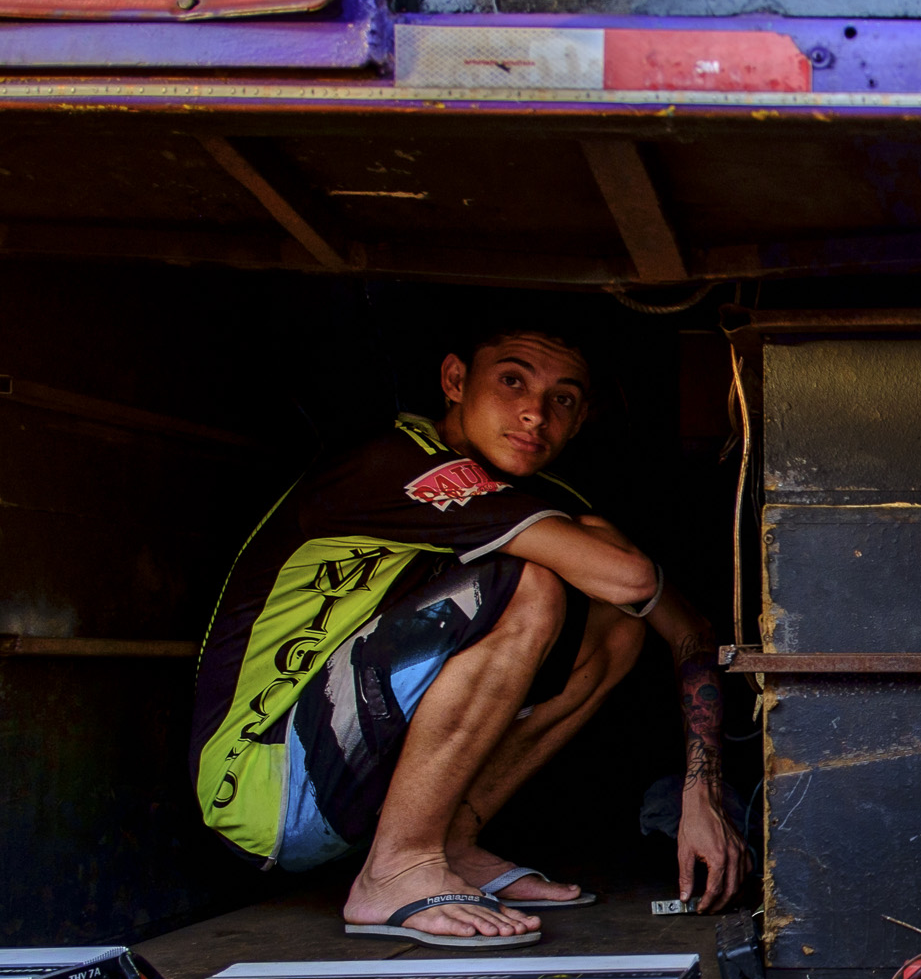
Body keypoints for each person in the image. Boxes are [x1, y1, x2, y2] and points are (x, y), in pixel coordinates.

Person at [189, 325, 745, 946]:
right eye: (512, 381)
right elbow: (631, 574)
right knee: (533, 583)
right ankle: (396, 867)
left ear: (581, 417)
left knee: (617, 628)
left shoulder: (532, 499)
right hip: (263, 776)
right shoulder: (392, 461)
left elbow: (687, 628)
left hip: (344, 780)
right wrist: (592, 537)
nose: (534, 412)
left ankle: (450, 843)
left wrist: (705, 791)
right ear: (455, 381)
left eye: (562, 398)